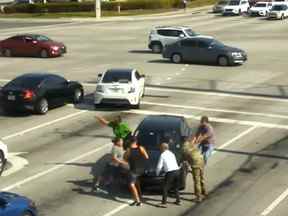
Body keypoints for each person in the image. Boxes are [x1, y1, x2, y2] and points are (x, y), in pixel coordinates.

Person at [124, 136, 149, 206]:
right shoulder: (141, 148)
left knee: (131, 185)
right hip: (141, 169)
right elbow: (147, 157)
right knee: (137, 182)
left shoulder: (128, 150)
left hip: (134, 170)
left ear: (130, 142)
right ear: (136, 141)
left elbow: (125, 159)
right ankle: (138, 197)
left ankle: (138, 201)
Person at [156, 143, 181, 208]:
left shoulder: (162, 155)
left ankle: (164, 203)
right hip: (177, 171)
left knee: (165, 188)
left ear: (163, 148)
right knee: (176, 187)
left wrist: (157, 173)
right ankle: (178, 201)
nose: (160, 148)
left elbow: (159, 166)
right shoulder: (172, 153)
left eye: (160, 147)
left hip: (170, 172)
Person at [183, 136, 207, 202]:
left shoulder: (184, 148)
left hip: (195, 163)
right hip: (201, 160)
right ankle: (204, 191)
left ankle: (198, 196)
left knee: (196, 180)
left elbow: (184, 158)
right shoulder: (191, 144)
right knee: (201, 177)